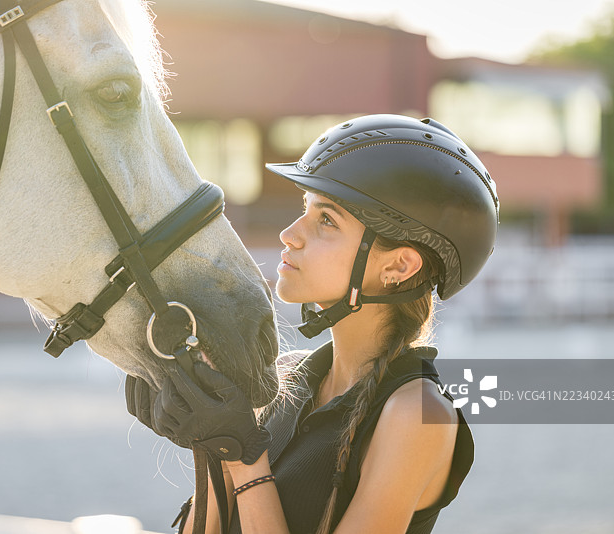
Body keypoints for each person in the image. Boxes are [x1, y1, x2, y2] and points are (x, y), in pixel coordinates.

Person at [126, 114, 500, 534]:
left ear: (398, 265)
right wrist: (212, 444)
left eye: (327, 221)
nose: (290, 234)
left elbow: (247, 467)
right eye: (305, 210)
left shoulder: (415, 413)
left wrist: (243, 456)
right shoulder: (285, 377)